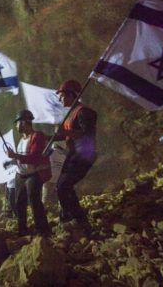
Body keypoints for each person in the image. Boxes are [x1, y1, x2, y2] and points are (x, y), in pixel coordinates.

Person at [54, 80, 97, 228]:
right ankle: (73, 216)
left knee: (63, 185)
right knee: (62, 185)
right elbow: (68, 135)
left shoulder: (84, 112)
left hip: (84, 154)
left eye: (62, 95)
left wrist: (64, 132)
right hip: (73, 154)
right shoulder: (72, 114)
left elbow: (86, 133)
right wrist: (48, 137)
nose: (60, 99)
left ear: (71, 94)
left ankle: (76, 219)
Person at [6, 109, 52, 237]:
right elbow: (22, 158)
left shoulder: (37, 136)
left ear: (24, 122)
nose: (16, 126)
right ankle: (22, 230)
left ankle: (42, 230)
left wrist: (15, 155)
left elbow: (34, 157)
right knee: (19, 203)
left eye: (18, 123)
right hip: (21, 175)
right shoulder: (21, 140)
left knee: (34, 200)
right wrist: (12, 159)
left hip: (34, 174)